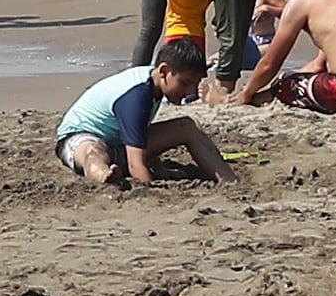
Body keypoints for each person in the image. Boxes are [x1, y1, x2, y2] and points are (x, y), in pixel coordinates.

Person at [62, 40, 222, 187]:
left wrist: (159, 168)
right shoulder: (136, 95)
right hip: (80, 137)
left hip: (118, 145)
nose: (190, 91)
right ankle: (104, 175)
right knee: (92, 152)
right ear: (164, 71)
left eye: (195, 84)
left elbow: (138, 133)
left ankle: (228, 179)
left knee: (188, 126)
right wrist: (150, 189)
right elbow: (135, 164)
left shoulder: (155, 84)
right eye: (186, 83)